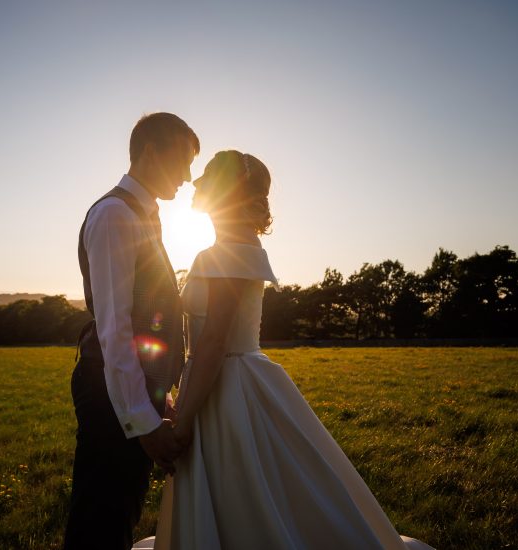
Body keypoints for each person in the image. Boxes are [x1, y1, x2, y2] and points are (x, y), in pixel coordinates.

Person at [135, 151, 434, 550]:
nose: (197, 182)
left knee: (242, 488)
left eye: (207, 176)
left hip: (225, 385)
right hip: (221, 379)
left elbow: (213, 342)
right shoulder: (227, 246)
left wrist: (184, 421)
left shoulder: (229, 251)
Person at [63, 113, 199, 550]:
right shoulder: (114, 214)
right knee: (100, 521)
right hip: (110, 393)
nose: (187, 176)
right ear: (150, 150)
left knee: (120, 513)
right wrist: (142, 420)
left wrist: (161, 395)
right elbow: (115, 328)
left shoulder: (143, 214)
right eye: (182, 159)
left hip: (134, 391)